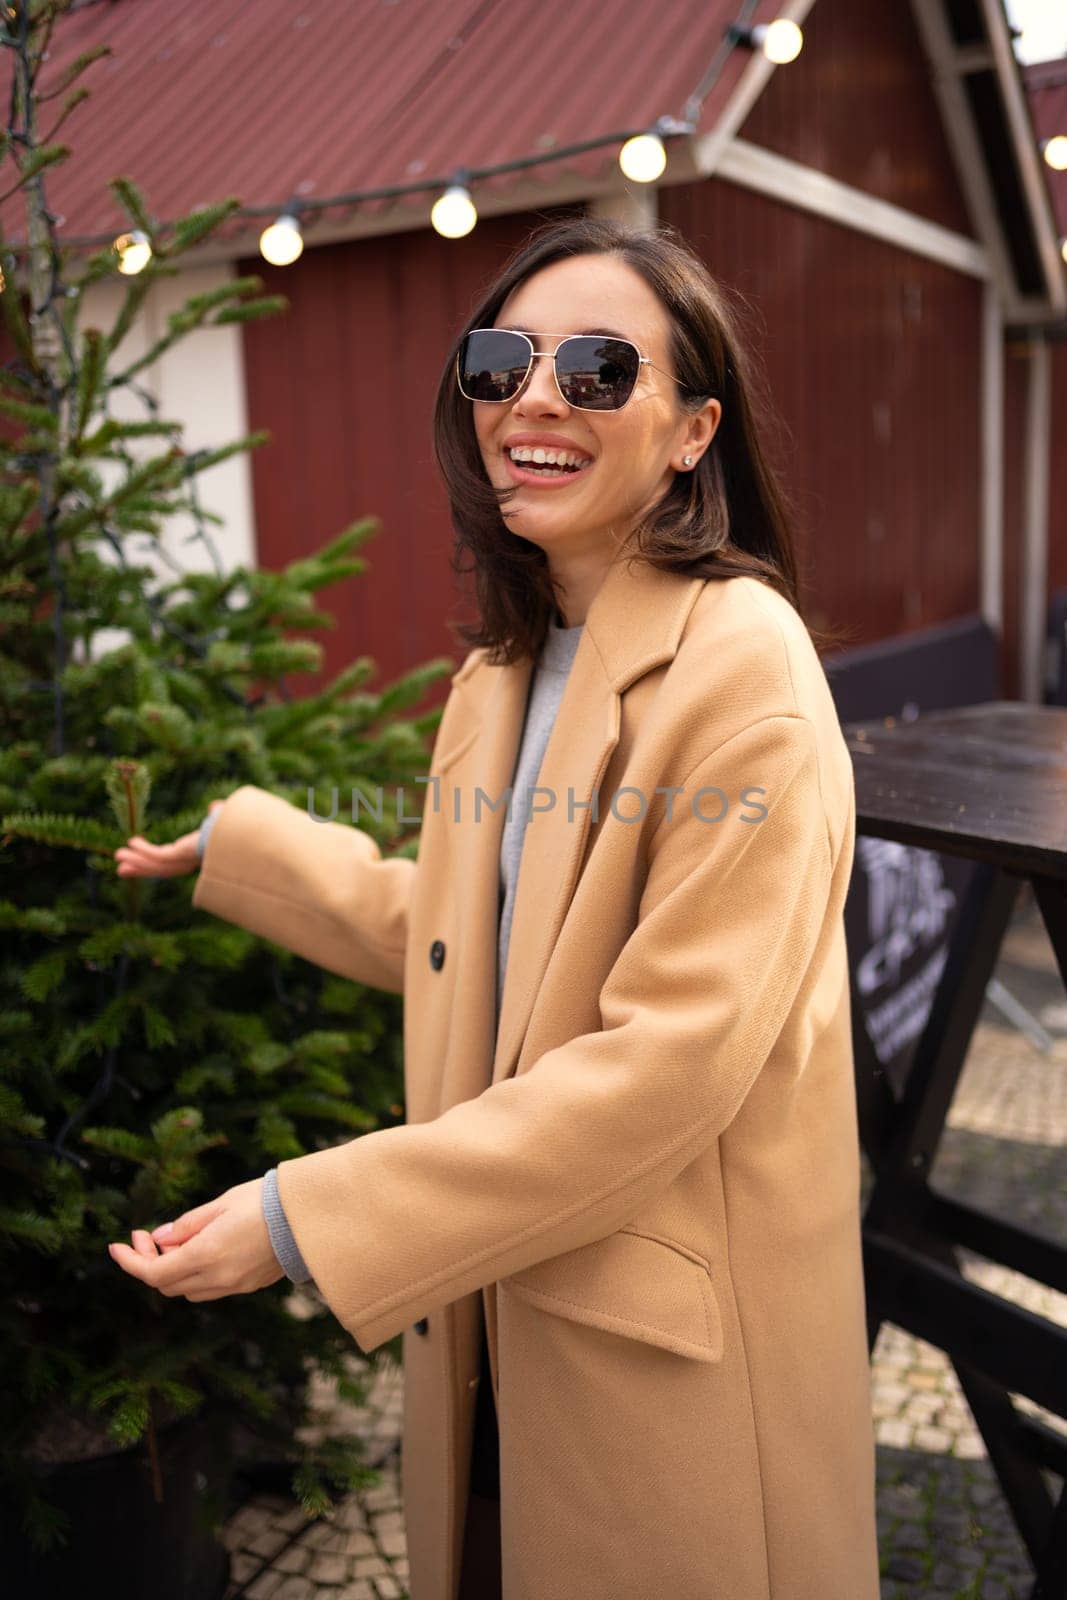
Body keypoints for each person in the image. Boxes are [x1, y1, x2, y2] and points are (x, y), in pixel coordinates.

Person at [111, 215, 880, 1600]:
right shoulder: (508, 673)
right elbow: (475, 939)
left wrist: (298, 1218)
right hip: (506, 1316)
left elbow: (666, 1065)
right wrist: (243, 848)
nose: (533, 396)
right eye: (498, 362)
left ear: (695, 430)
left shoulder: (744, 671)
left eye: (595, 369)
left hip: (666, 1356)